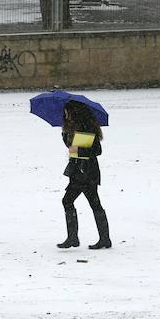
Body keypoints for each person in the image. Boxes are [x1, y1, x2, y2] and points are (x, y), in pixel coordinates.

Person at [56, 100, 112, 249]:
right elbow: (73, 149)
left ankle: (74, 238)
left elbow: (95, 150)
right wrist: (66, 137)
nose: (65, 114)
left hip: (85, 172)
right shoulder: (74, 128)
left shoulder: (86, 129)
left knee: (68, 201)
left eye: (67, 111)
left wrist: (77, 149)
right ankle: (103, 238)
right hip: (81, 171)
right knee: (94, 204)